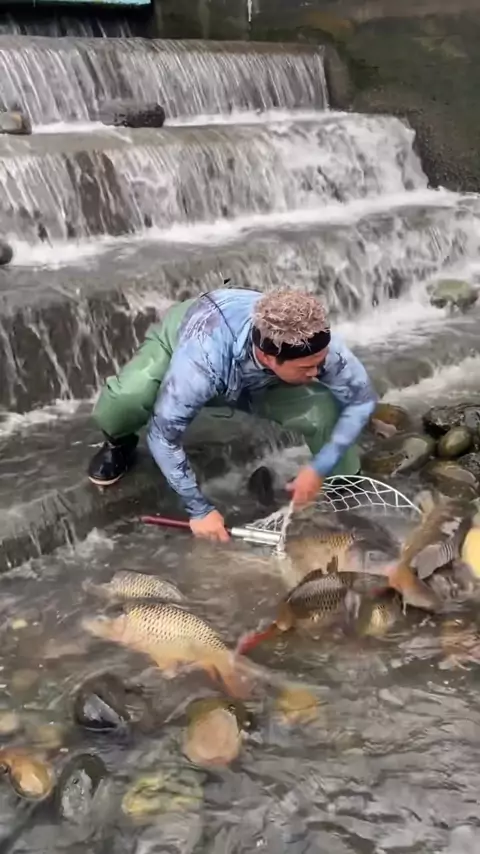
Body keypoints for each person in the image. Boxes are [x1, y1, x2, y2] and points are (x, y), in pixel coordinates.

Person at [88, 286, 378, 542]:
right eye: (307, 368)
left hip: (262, 380)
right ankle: (119, 441)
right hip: (191, 343)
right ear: (268, 356)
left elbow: (361, 401)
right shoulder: (200, 362)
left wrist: (318, 468)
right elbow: (163, 436)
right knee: (128, 398)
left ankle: (346, 491)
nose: (318, 372)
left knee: (325, 408)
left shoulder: (317, 346)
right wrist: (199, 510)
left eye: (320, 363)